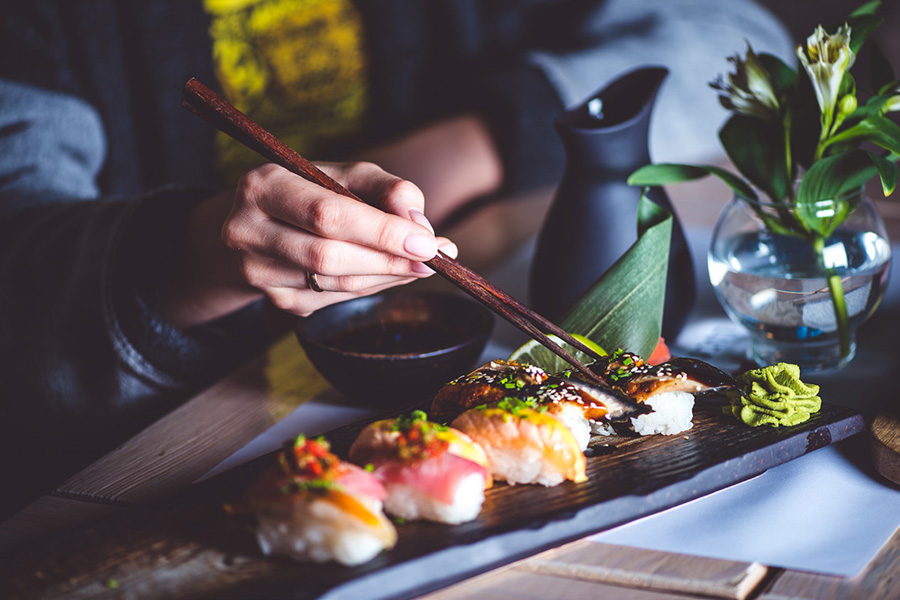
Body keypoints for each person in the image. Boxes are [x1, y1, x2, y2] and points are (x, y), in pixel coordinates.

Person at [0, 0, 792, 519]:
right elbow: (18, 297)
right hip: (136, 447)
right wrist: (197, 255)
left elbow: (739, 39)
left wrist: (467, 145)